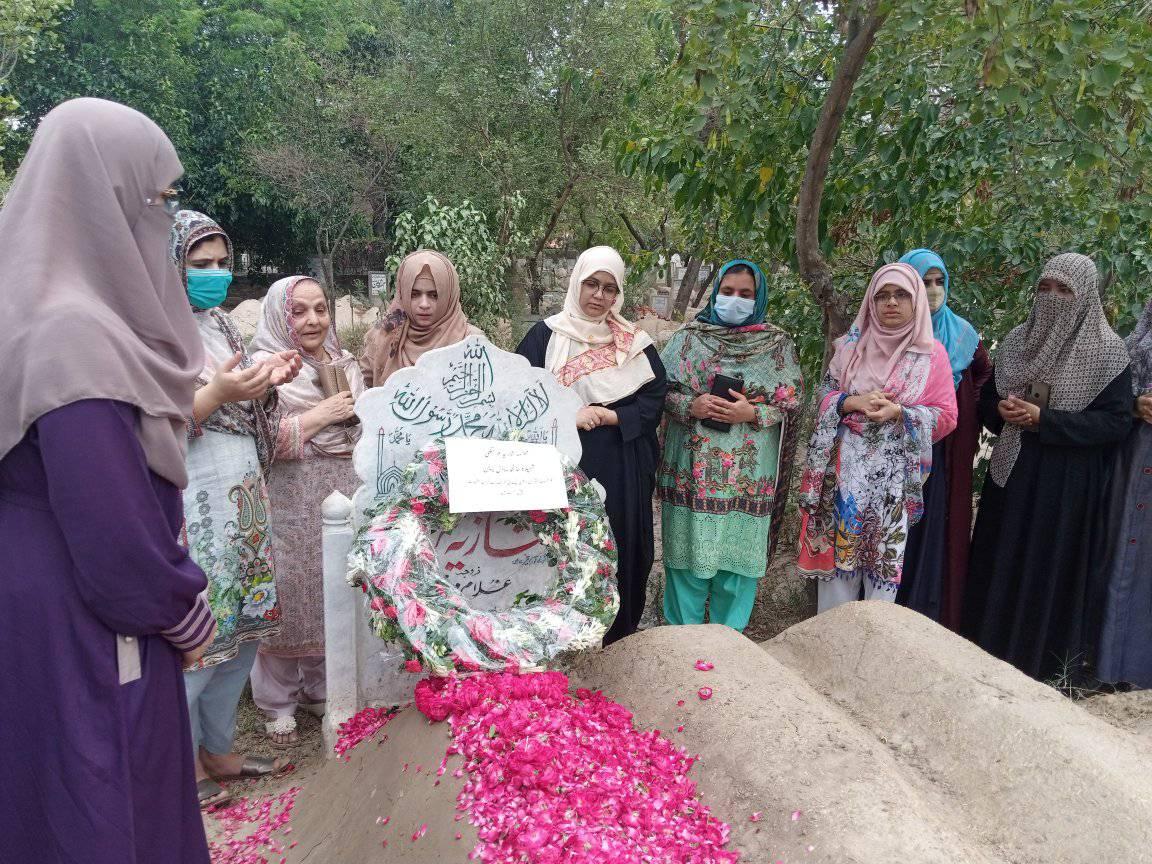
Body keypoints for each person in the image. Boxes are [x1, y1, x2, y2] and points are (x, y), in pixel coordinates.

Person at [0, 98, 215, 863]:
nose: (164, 220)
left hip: (39, 599)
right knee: (104, 798)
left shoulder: (27, 310)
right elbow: (112, 533)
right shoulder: (72, 332)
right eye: (155, 200)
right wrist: (183, 610)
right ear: (104, 196)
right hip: (84, 617)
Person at [171, 210, 302, 805]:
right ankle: (181, 764)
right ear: (170, 264)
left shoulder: (221, 324)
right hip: (191, 500)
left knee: (245, 627)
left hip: (243, 499)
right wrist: (218, 393)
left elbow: (246, 400)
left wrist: (269, 378)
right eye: (201, 265)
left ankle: (218, 747)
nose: (216, 275)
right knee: (200, 633)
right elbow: (152, 422)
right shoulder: (153, 328)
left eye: (223, 263)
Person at [963, 253, 1131, 681]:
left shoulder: (1108, 354)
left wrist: (1047, 421)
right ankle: (984, 651)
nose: (1052, 298)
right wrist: (999, 409)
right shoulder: (1019, 341)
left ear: (1087, 296)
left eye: (1065, 290)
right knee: (1001, 561)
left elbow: (1114, 423)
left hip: (1066, 488)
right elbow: (986, 405)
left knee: (1046, 570)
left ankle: (1037, 667)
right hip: (1011, 477)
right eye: (1045, 288)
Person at [517, 246, 668, 644]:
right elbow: (519, 400)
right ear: (577, 283)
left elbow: (654, 397)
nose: (599, 296)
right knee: (564, 550)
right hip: (563, 465)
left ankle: (618, 638)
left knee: (620, 546)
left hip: (622, 463)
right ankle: (562, 639)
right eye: (592, 284)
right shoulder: (544, 337)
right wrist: (570, 417)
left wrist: (611, 415)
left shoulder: (632, 342)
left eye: (609, 289)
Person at [797, 263, 958, 612]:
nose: (891, 302)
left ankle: (869, 654)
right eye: (882, 295)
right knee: (839, 573)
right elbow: (821, 400)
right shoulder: (849, 348)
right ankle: (829, 649)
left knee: (883, 575)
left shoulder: (932, 357)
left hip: (893, 483)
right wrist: (851, 402)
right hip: (844, 479)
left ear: (915, 301)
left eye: (901, 294)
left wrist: (901, 412)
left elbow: (947, 416)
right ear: (870, 301)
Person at [249, 275, 364, 745]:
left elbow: (362, 427)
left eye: (321, 310)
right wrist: (324, 415)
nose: (313, 320)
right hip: (289, 498)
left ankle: (320, 688)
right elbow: (262, 441)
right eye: (300, 312)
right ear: (281, 316)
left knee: (331, 588)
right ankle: (277, 702)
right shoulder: (264, 369)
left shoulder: (345, 363)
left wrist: (351, 416)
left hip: (341, 490)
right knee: (290, 593)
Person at [657, 259, 803, 631]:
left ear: (759, 299)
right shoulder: (688, 339)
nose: (734, 300)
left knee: (735, 571)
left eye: (745, 294)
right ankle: (681, 646)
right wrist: (690, 405)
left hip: (748, 480)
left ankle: (728, 650)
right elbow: (657, 393)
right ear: (715, 292)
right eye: (727, 292)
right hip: (691, 474)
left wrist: (751, 412)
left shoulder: (777, 346)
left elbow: (794, 403)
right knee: (688, 564)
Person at [895, 249, 992, 629]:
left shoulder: (964, 335)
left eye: (939, 282)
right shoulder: (890, 333)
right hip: (897, 446)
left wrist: (964, 404)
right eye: (923, 281)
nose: (933, 290)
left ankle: (929, 612)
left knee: (937, 524)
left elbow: (985, 375)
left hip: (947, 447)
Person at [1097, 296, 1152, 688]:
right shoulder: (1133, 344)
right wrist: (1135, 406)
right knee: (1118, 550)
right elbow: (1112, 401)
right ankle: (1108, 666)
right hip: (1131, 457)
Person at [359, 249, 481, 387]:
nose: (424, 304)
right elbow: (362, 391)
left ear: (449, 296)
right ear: (402, 294)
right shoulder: (382, 335)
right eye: (414, 294)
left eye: (434, 295)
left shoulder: (472, 342)